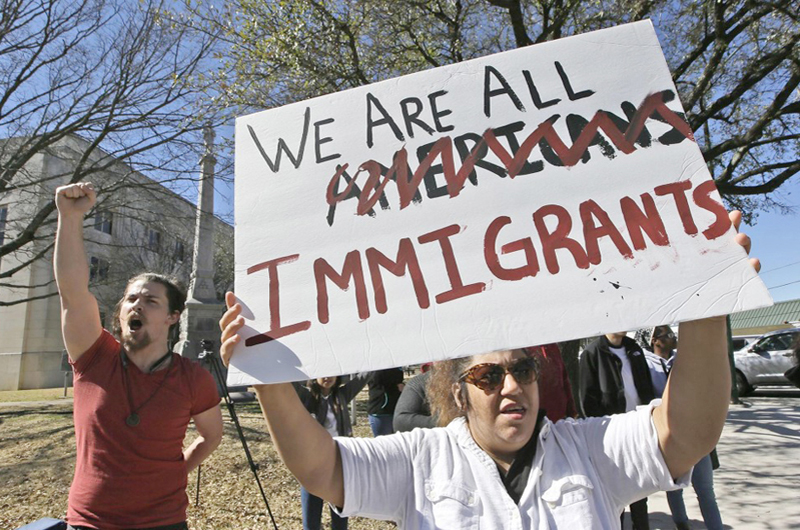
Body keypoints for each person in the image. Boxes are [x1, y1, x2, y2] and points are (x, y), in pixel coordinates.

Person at [219, 210, 758, 529]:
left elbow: (686, 433)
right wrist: (267, 374)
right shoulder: (420, 461)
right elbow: (321, 468)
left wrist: (706, 309)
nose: (510, 386)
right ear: (458, 392)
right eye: (487, 376)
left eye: (522, 369)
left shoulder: (588, 450)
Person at [54, 182, 222, 530]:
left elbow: (212, 435)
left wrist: (177, 469)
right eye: (131, 299)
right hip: (90, 522)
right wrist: (70, 218)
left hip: (163, 522)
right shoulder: (93, 357)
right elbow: (72, 293)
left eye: (150, 301)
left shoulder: (193, 378)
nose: (137, 305)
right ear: (120, 312)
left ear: (172, 316)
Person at [646, 325, 724, 530]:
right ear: (655, 341)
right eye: (668, 335)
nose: (673, 338)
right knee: (673, 489)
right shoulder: (646, 365)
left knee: (706, 489)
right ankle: (682, 524)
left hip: (696, 432)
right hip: (670, 436)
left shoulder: (685, 359)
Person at [579, 329, 656, 529]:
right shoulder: (593, 352)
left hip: (639, 427)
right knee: (616, 491)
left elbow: (646, 384)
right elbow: (588, 397)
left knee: (641, 487)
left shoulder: (634, 348)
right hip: (612, 432)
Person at [295, 375, 369, 530]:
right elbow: (288, 384)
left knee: (340, 516)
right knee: (311, 519)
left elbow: (365, 376)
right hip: (313, 464)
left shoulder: (342, 394)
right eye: (322, 373)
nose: (327, 377)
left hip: (339, 463)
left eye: (331, 373)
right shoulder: (307, 397)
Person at [526, 344, 578, 422]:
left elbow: (564, 379)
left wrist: (571, 411)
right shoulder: (524, 350)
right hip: (538, 421)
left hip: (560, 419)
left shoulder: (553, 346)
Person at [366, 367, 404, 436]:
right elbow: (377, 379)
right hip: (381, 409)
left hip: (397, 408)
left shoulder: (396, 365)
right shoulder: (377, 367)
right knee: (383, 442)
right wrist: (397, 386)